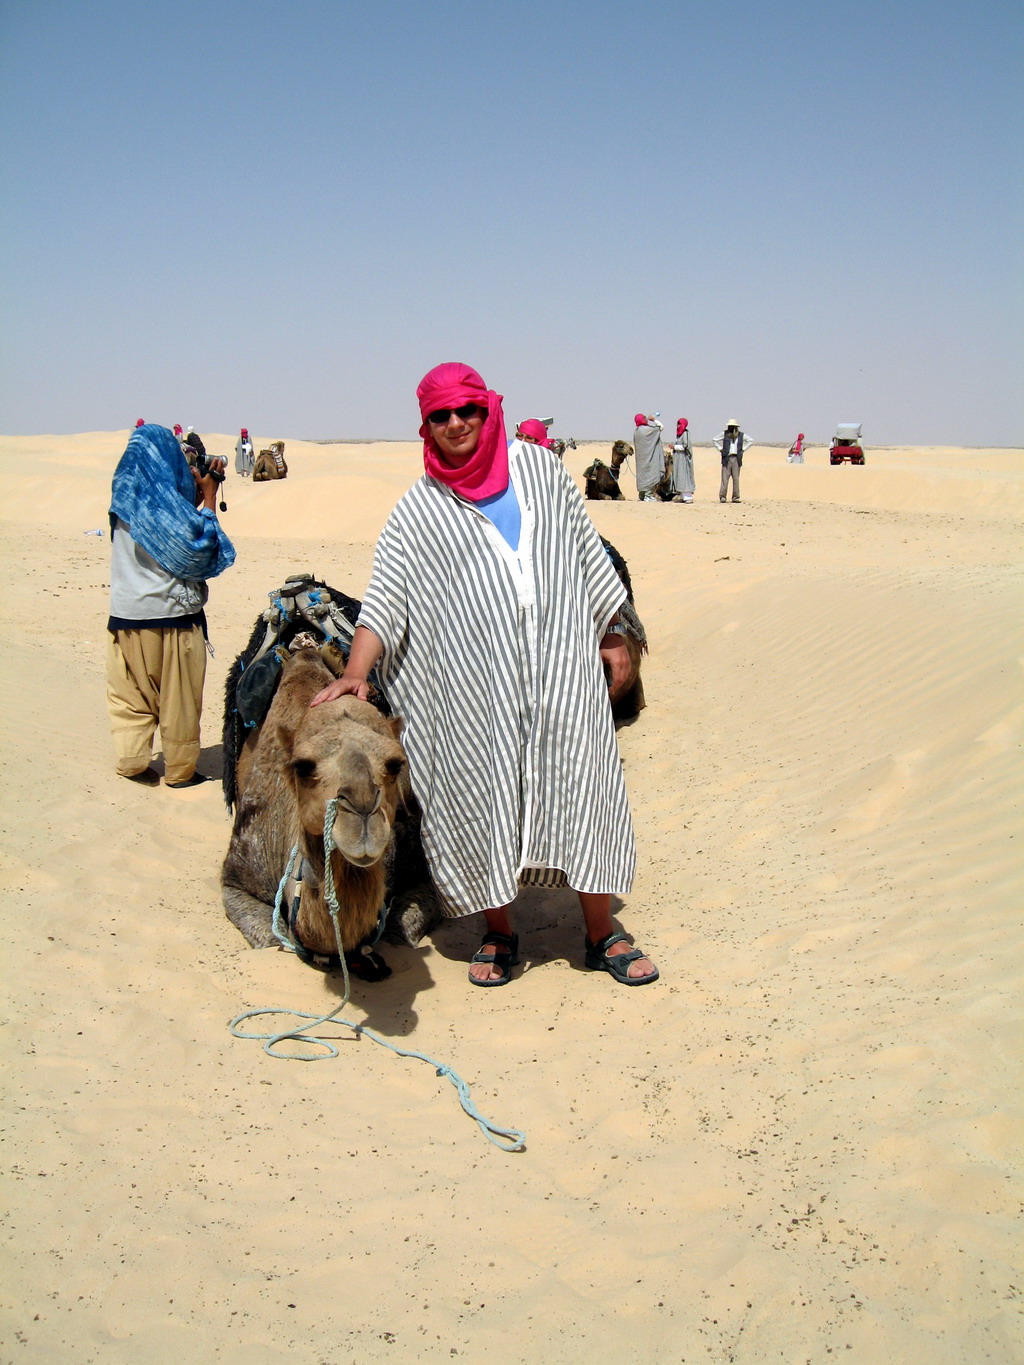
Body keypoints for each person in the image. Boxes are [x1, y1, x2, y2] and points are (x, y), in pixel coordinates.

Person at [312, 362, 658, 988]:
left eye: (465, 410)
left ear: (488, 408)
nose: (455, 425)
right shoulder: (419, 509)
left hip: (561, 671)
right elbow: (385, 598)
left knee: (584, 786)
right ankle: (499, 931)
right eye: (439, 416)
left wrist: (611, 632)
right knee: (483, 793)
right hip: (479, 689)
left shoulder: (540, 471)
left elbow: (584, 552)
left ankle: (603, 931)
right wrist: (357, 673)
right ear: (426, 425)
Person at [106, 424, 235, 787]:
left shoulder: (123, 501)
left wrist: (192, 495)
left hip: (125, 618)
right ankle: (179, 772)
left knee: (130, 697)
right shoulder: (170, 513)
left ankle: (132, 761)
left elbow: (162, 520)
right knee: (178, 700)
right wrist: (209, 498)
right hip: (173, 621)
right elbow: (202, 551)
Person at [714, 419, 751, 502]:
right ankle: (722, 496)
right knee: (724, 479)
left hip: (736, 458)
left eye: (733, 427)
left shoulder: (741, 435)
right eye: (730, 426)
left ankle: (736, 497)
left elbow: (750, 440)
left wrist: (743, 449)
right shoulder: (724, 434)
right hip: (726, 458)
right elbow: (715, 440)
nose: (732, 428)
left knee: (736, 479)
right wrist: (720, 449)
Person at [633, 412, 665, 502]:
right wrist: (654, 420)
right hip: (649, 458)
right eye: (644, 417)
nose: (646, 418)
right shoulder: (647, 430)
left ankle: (642, 495)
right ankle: (648, 495)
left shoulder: (637, 431)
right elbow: (661, 427)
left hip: (642, 459)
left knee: (643, 476)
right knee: (651, 474)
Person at [670, 418, 695, 502]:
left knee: (684, 476)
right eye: (677, 424)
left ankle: (688, 497)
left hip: (683, 459)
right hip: (678, 459)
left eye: (680, 424)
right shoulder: (679, 435)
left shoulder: (685, 434)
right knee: (679, 476)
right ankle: (681, 496)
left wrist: (674, 447)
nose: (678, 426)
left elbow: (685, 446)